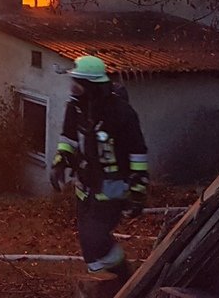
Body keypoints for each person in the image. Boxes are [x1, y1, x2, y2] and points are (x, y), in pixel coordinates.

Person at [50, 55, 149, 281]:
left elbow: (137, 152)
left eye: (78, 84)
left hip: (112, 188)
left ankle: (123, 278)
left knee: (96, 238)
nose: (73, 88)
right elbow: (68, 138)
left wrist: (138, 190)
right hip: (84, 187)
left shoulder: (121, 113)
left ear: (92, 86)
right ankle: (99, 282)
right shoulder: (75, 108)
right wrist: (60, 162)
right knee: (88, 242)